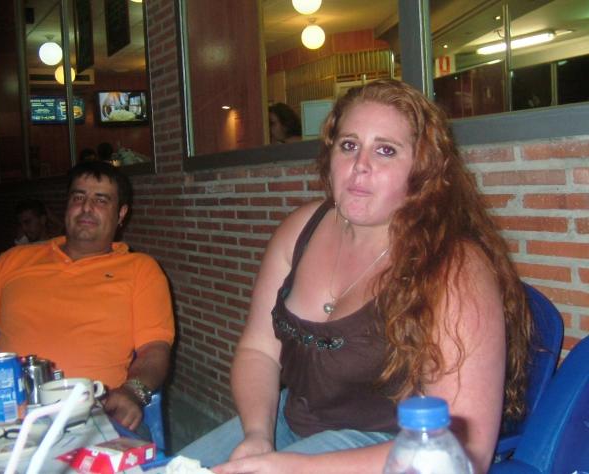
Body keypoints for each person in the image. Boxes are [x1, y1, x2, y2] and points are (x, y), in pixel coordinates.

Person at [179, 79, 532, 473]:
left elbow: (468, 450)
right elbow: (259, 349)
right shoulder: (299, 230)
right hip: (289, 423)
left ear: (424, 169)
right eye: (348, 145)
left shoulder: (455, 268)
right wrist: (259, 434)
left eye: (385, 150)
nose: (360, 165)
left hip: (392, 448)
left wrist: (295, 468)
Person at [0, 161, 175, 430]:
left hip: (93, 416)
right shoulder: (14, 260)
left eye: (101, 200)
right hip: (6, 415)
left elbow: (154, 349)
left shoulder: (141, 269)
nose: (87, 207)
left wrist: (133, 391)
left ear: (121, 214)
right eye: (78, 197)